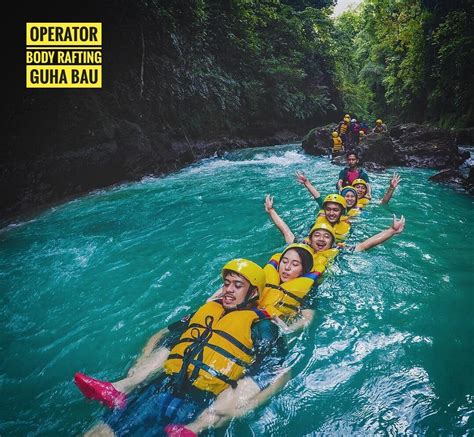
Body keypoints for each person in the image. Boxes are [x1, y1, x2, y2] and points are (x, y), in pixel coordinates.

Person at [76, 259, 289, 437]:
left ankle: (196, 428)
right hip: (163, 385)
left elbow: (278, 372)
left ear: (253, 293)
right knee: (100, 432)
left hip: (202, 400)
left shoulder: (263, 327)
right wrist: (139, 365)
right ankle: (122, 387)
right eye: (226, 284)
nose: (229, 290)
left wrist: (240, 407)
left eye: (237, 285)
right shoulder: (206, 311)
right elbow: (163, 336)